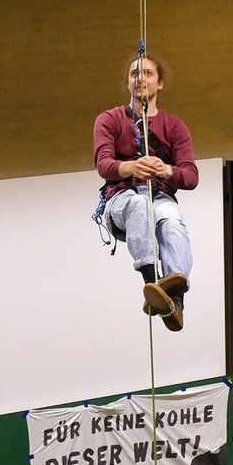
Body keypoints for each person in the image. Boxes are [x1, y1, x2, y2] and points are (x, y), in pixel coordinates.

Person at [93, 53, 199, 331]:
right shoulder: (110, 119)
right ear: (128, 83)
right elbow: (104, 165)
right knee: (140, 206)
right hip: (121, 199)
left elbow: (190, 176)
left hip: (160, 195)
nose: (140, 79)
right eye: (134, 74)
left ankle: (174, 299)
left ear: (160, 83)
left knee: (173, 224)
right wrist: (133, 167)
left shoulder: (174, 127)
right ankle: (152, 281)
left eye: (148, 73)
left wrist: (166, 171)